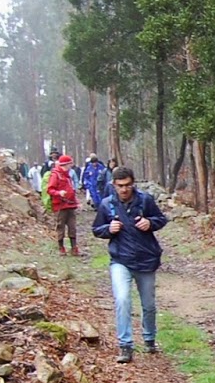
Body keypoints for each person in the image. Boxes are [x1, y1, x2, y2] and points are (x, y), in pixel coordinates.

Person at [91, 166, 168, 363]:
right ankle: (125, 345)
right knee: (122, 299)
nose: (124, 189)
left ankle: (149, 338)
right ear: (114, 185)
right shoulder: (107, 204)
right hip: (120, 260)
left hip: (146, 258)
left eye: (127, 185)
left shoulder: (145, 200)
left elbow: (161, 219)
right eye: (120, 186)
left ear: (133, 183)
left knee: (148, 304)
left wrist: (150, 223)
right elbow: (96, 229)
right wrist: (109, 229)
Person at [46, 154, 81, 257]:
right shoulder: (55, 175)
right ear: (65, 164)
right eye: (70, 163)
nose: (71, 165)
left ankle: (74, 248)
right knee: (60, 227)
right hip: (60, 206)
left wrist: (76, 202)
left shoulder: (67, 175)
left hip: (70, 205)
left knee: (72, 227)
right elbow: (50, 189)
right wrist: (59, 193)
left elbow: (71, 190)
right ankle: (61, 248)